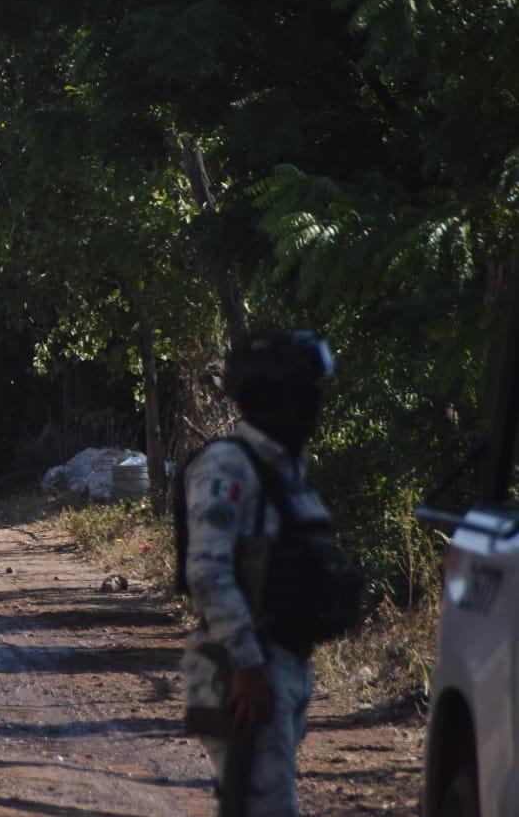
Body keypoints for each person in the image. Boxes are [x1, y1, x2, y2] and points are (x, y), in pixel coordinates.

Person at [178, 331, 357, 817]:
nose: (313, 403)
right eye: (304, 390)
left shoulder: (284, 469)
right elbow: (207, 570)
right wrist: (248, 665)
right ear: (275, 395)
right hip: (241, 666)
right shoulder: (229, 465)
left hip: (283, 661)